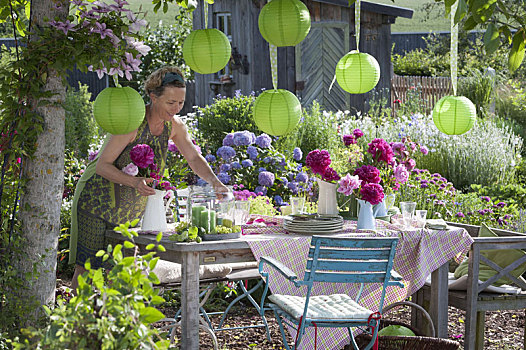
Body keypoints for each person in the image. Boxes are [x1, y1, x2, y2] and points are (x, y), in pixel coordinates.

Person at [69, 66, 229, 291]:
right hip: (96, 202)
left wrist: (215, 182)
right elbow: (102, 166)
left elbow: (193, 157)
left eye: (181, 103)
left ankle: (117, 323)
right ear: (153, 97)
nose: (176, 108)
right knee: (87, 268)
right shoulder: (133, 122)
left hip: (130, 208)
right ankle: (77, 323)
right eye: (170, 102)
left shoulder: (174, 126)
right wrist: (135, 182)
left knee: (124, 269)